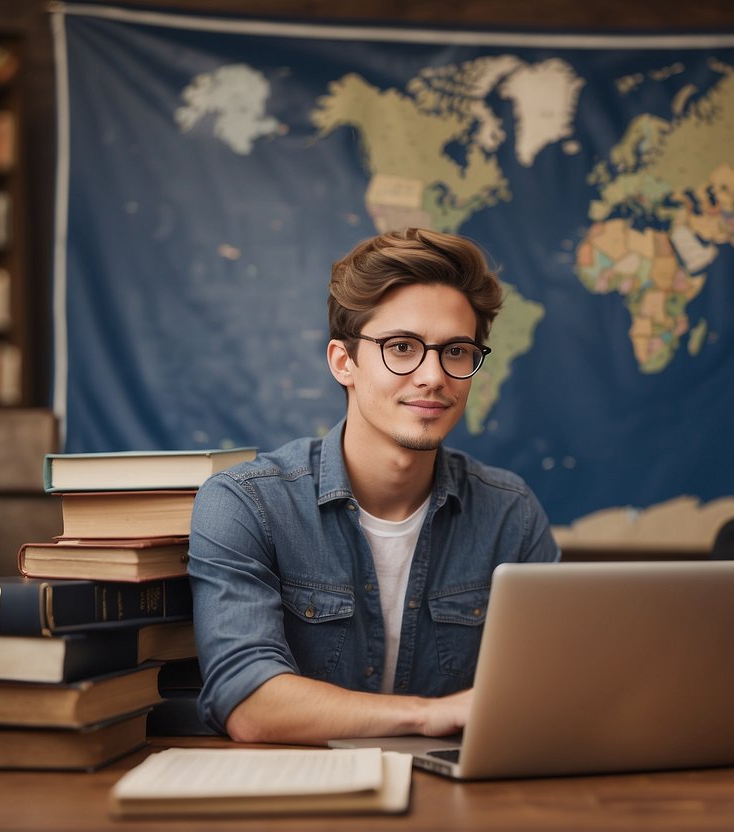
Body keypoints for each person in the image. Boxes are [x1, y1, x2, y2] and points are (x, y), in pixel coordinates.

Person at [188, 227, 560, 745]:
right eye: (402, 347)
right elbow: (248, 702)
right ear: (344, 362)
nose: (433, 375)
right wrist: (428, 715)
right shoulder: (246, 504)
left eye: (456, 351)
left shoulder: (510, 513)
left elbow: (550, 693)